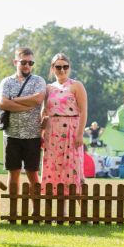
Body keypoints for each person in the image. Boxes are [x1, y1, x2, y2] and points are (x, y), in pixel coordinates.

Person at [0, 47, 46, 192]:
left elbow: (38, 99)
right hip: (11, 135)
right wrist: (28, 105)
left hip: (33, 135)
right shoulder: (6, 82)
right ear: (15, 62)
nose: (27, 66)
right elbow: (3, 103)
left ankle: (35, 206)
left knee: (33, 174)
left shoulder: (39, 81)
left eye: (31, 63)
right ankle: (13, 207)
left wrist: (14, 100)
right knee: (13, 174)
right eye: (23, 62)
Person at [41, 53, 88, 194]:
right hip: (52, 132)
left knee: (73, 168)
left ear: (69, 68)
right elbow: (44, 112)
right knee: (54, 169)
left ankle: (80, 204)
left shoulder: (76, 85)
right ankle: (60, 207)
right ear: (52, 68)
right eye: (58, 67)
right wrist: (41, 133)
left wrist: (80, 134)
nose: (62, 70)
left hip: (71, 130)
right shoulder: (48, 88)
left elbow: (84, 111)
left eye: (65, 66)